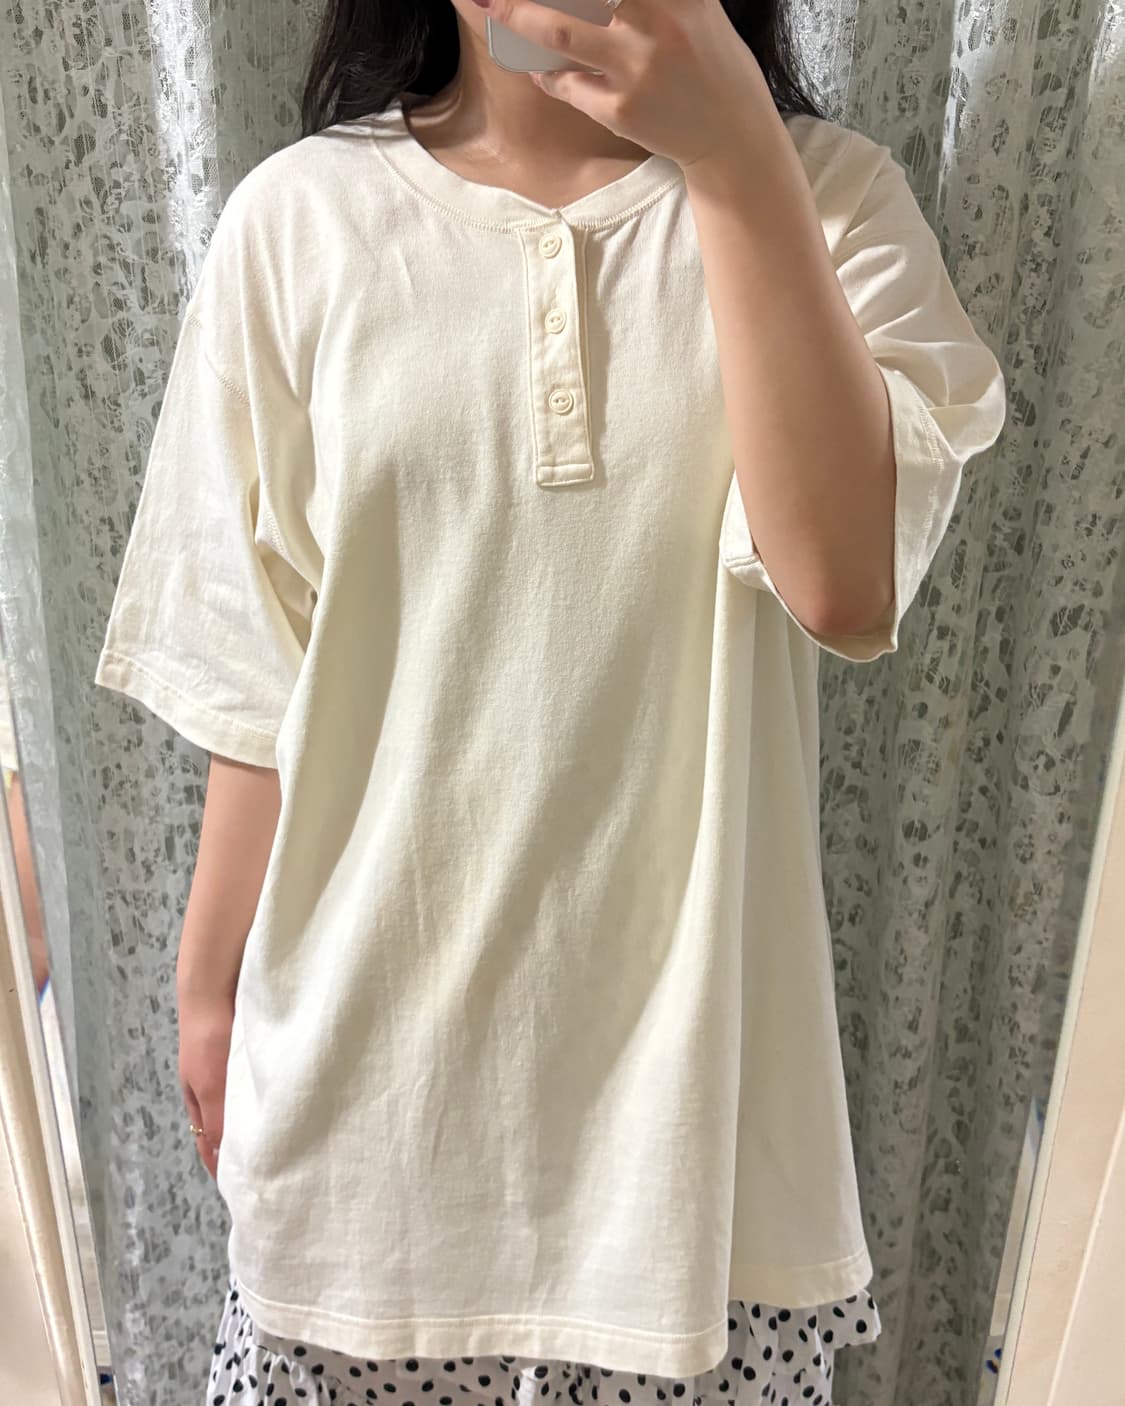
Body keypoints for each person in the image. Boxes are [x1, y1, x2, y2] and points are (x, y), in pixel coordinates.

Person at [94, 1, 1008, 1404]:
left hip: (692, 1201)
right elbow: (257, 681)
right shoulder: (297, 222)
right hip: (360, 1165)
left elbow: (840, 581)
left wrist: (735, 152)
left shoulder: (828, 201)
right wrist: (207, 988)